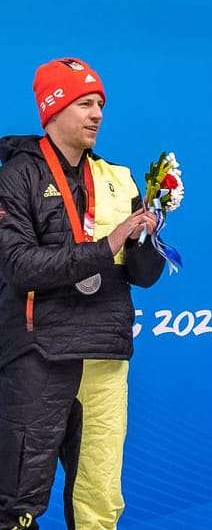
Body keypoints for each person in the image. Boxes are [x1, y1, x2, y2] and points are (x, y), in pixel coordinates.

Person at [0, 57, 165, 529]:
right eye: (84, 104)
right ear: (52, 110)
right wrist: (106, 245)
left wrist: (141, 240)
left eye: (100, 105)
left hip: (105, 356)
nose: (97, 114)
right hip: (39, 355)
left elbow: (146, 274)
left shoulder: (119, 179)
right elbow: (19, 266)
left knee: (99, 500)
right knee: (19, 500)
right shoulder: (16, 178)